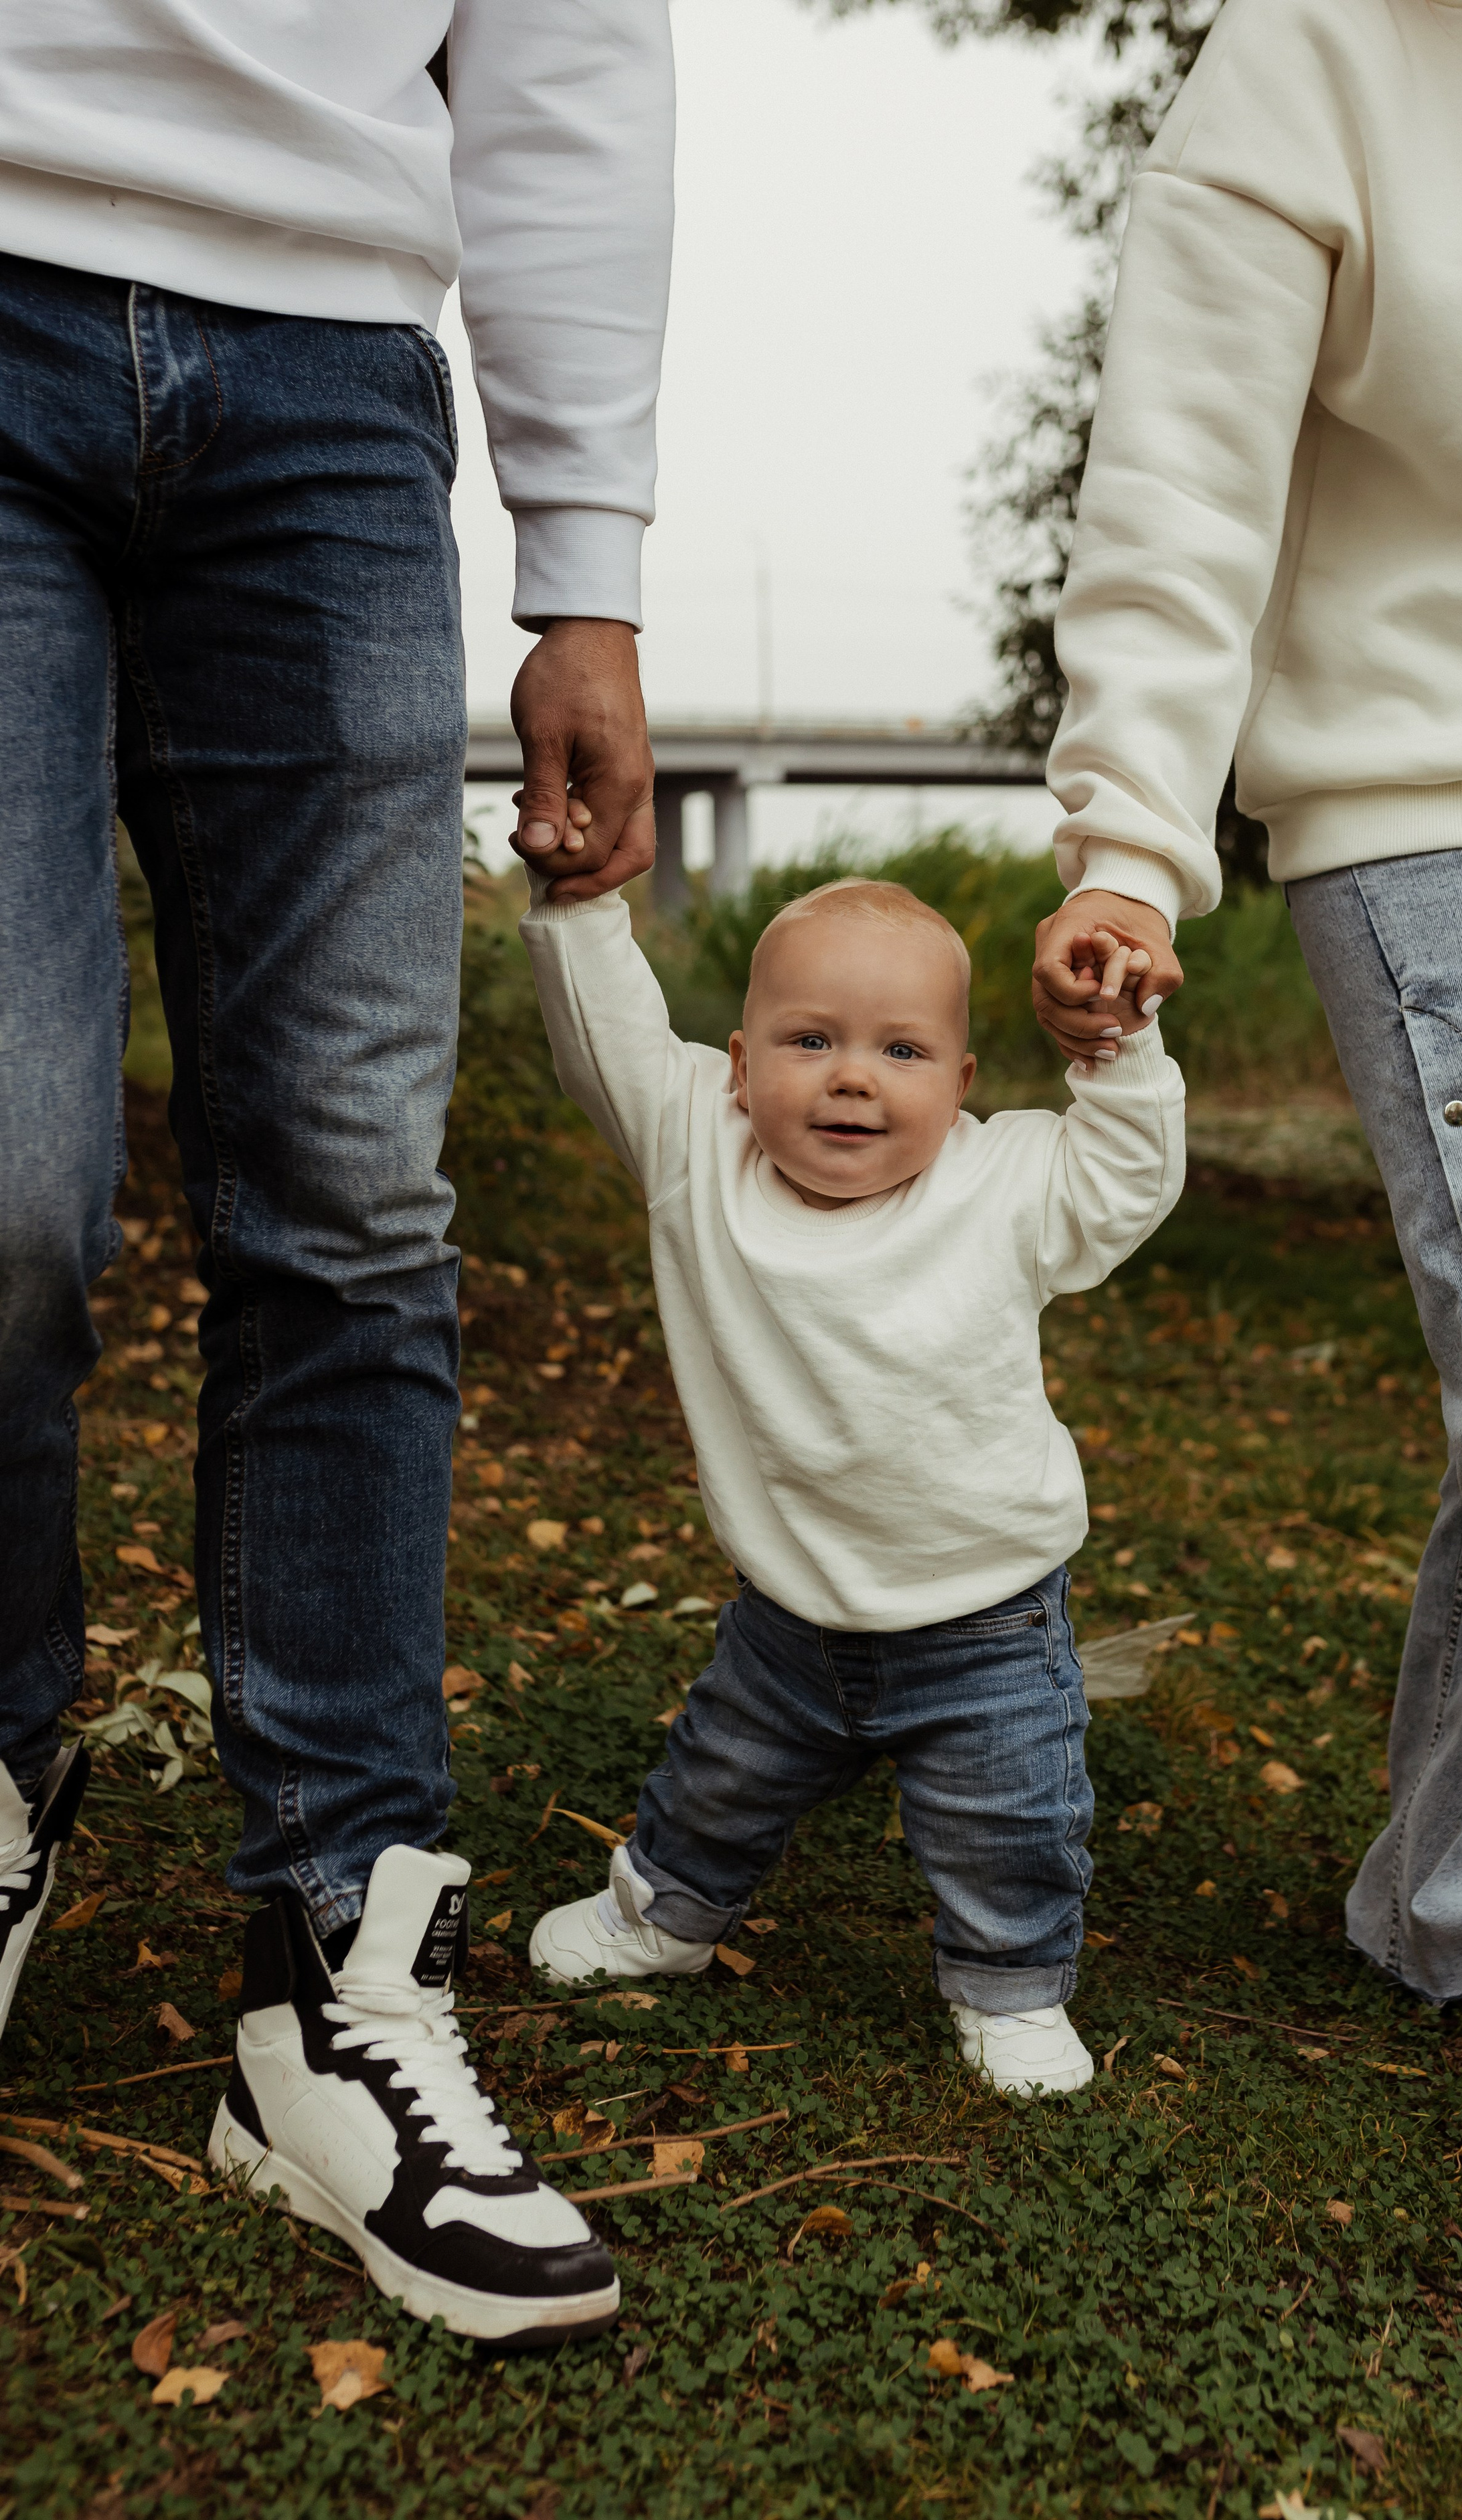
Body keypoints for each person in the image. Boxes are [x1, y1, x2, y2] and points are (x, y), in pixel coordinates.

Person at [0, 3, 672, 2340]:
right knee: (3, 1174)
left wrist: (586, 562)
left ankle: (333, 1979)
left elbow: (577, 52)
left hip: (333, 382)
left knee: (357, 1199)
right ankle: (2, 1766)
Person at [1036, 0, 1462, 2225]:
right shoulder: (1314, 50)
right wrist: (1132, 832)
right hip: (1431, 782)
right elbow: (1184, 467)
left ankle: (1457, 1884)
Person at [512, 873, 1185, 2092]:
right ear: (736, 1062)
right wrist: (580, 903)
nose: (853, 1075)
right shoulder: (695, 1156)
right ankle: (662, 1915)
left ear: (964, 1082)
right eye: (809, 1039)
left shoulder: (1006, 1184)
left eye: (903, 1048)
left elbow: (1129, 1177)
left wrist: (1118, 1043)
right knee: (718, 1778)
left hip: (986, 1619)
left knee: (1011, 1824)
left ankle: (1012, 1987)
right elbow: (604, 1038)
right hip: (789, 1620)